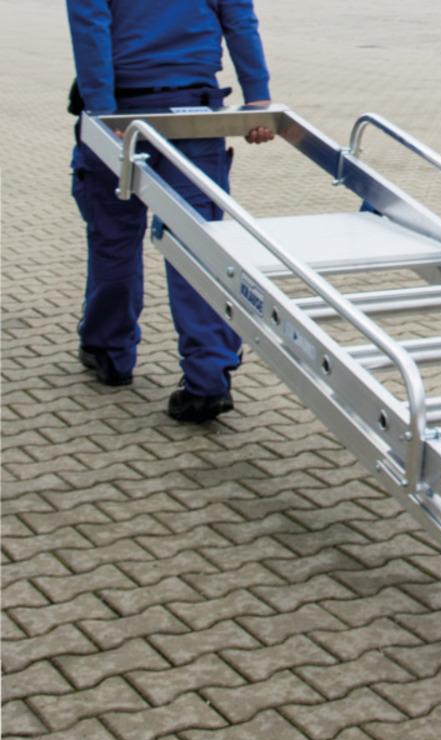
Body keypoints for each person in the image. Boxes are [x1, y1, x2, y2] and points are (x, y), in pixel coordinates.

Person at [66, 0, 275, 423]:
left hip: (123, 109)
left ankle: (110, 352)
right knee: (196, 244)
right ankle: (208, 377)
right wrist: (258, 98)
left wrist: (103, 110)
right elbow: (239, 18)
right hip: (193, 114)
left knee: (114, 239)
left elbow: (90, 24)